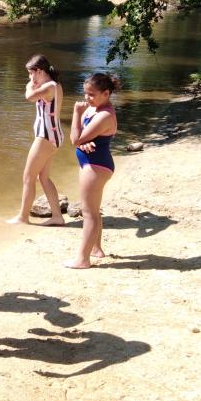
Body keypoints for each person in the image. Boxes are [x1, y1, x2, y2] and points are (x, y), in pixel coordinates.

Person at [66, 73, 120, 269]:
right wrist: (83, 143)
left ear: (106, 93)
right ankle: (96, 249)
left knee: (88, 213)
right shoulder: (95, 108)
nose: (86, 98)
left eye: (91, 94)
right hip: (92, 163)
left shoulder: (105, 115)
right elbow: (81, 138)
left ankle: (82, 259)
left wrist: (76, 113)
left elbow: (75, 138)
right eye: (85, 93)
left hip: (97, 165)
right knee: (93, 211)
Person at [8, 54, 66, 226]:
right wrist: (33, 84)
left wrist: (29, 86)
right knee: (44, 177)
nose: (30, 77)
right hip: (54, 135)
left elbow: (29, 97)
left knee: (28, 177)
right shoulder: (55, 84)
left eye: (31, 73)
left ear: (39, 71)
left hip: (45, 137)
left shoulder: (48, 87)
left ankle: (23, 217)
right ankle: (57, 216)